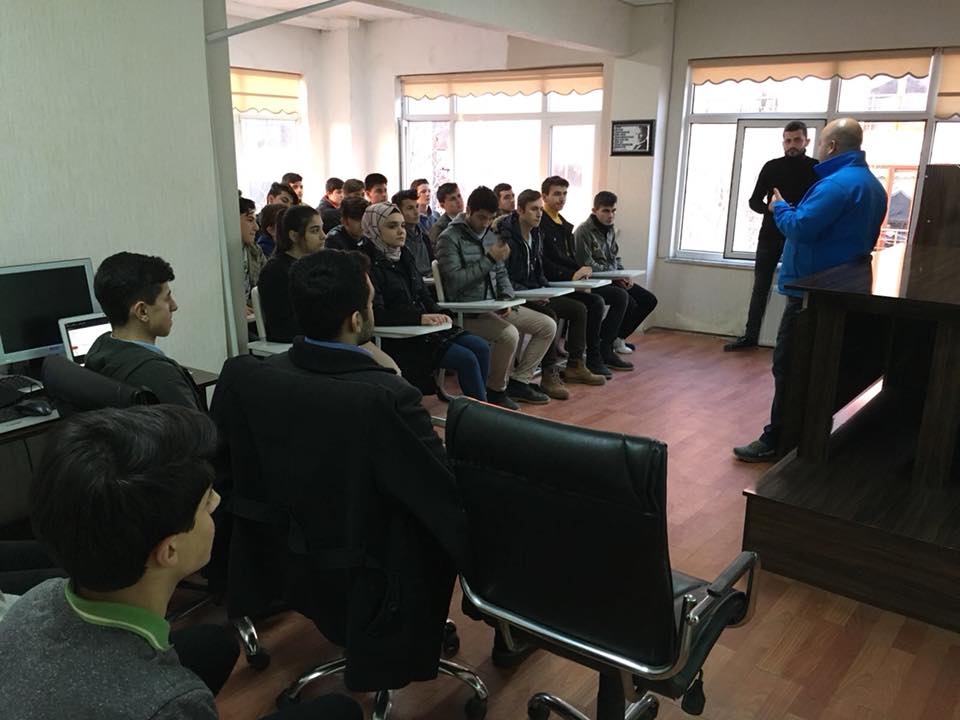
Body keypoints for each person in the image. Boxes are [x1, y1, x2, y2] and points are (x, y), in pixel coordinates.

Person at [0, 405, 362, 720]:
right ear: (169, 550)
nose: (217, 503)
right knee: (339, 710)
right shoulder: (169, 703)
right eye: (206, 502)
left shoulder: (36, 600)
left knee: (214, 644)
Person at [733, 118, 888, 462]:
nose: (816, 148)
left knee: (790, 366)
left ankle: (778, 439)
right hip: (843, 290)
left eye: (819, 143)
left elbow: (800, 227)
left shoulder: (835, 185)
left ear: (830, 146)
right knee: (823, 367)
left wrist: (780, 206)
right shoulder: (872, 186)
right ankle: (810, 436)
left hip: (811, 292)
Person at [436, 186, 557, 409]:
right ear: (469, 211)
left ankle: (519, 381)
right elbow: (455, 282)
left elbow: (501, 274)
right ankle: (496, 389)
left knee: (547, 325)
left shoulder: (491, 235)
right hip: (466, 311)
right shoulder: (449, 238)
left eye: (491, 218)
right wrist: (490, 259)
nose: (486, 223)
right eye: (481, 217)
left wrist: (507, 298)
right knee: (509, 334)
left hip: (493, 306)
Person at [361, 202, 490, 400]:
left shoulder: (404, 255)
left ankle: (482, 404)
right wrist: (419, 318)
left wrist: (441, 313)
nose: (401, 231)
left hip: (426, 331)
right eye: (392, 226)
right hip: (400, 338)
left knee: (480, 347)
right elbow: (377, 313)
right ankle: (480, 413)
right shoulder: (366, 263)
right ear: (374, 229)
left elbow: (423, 294)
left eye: (402, 225)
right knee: (467, 359)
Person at [500, 189, 606, 399]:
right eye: (534, 209)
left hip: (533, 292)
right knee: (549, 314)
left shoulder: (536, 234)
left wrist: (545, 289)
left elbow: (538, 272)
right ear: (520, 210)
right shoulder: (507, 237)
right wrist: (534, 293)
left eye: (540, 209)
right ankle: (549, 372)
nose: (539, 214)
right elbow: (505, 279)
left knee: (578, 309)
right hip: (516, 297)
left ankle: (575, 364)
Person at [725, 121, 820, 352]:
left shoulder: (816, 168)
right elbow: (753, 201)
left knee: (797, 290)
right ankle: (750, 336)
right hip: (769, 235)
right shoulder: (771, 166)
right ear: (783, 142)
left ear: (807, 141)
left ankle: (794, 343)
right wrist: (768, 207)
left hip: (798, 236)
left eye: (797, 140)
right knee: (761, 287)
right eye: (788, 140)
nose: (792, 145)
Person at [539, 176, 632, 376]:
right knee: (594, 303)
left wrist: (581, 271)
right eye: (557, 194)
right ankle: (585, 358)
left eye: (565, 194)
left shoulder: (563, 223)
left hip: (567, 281)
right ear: (544, 197)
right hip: (552, 284)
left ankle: (594, 355)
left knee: (613, 298)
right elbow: (545, 261)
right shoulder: (542, 224)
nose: (562, 198)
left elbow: (570, 258)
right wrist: (574, 273)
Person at [86, 252, 203, 409]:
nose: (174, 306)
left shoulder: (99, 350)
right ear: (142, 311)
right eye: (167, 298)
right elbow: (196, 425)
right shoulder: (162, 377)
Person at [573, 191, 659, 354]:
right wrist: (614, 275)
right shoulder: (583, 231)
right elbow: (586, 264)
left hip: (612, 278)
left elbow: (614, 258)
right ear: (594, 211)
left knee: (648, 300)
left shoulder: (610, 230)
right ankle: (604, 342)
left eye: (613, 211)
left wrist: (624, 274)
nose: (610, 215)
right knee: (627, 300)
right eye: (605, 211)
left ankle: (617, 337)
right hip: (593, 281)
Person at [257, 204, 325, 342]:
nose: (323, 236)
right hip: (298, 342)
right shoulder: (275, 271)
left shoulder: (315, 265)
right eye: (314, 231)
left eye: (322, 229)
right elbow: (283, 326)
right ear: (294, 236)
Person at [392, 189, 435, 276]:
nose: (416, 212)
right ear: (399, 212)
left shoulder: (424, 237)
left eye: (417, 206)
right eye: (410, 208)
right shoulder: (397, 239)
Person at [240, 193, 266, 310]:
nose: (256, 227)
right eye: (250, 220)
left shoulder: (255, 251)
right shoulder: (220, 255)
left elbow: (267, 284)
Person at [428, 182, 464, 249]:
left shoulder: (469, 221)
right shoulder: (439, 229)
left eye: (459, 196)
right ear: (442, 205)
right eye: (453, 199)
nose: (458, 201)